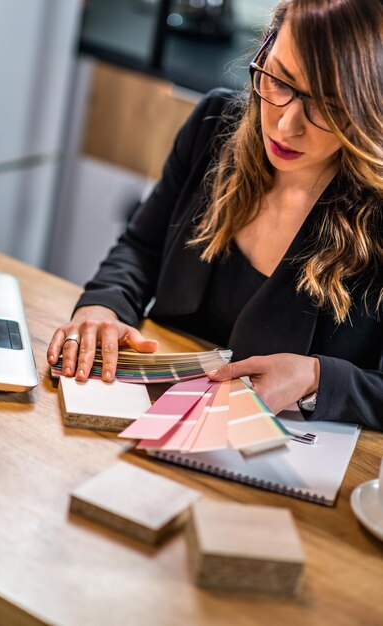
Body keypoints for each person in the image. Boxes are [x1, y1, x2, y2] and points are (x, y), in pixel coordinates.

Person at [48, 0, 383, 429]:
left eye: (328, 105)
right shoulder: (213, 124)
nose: (284, 126)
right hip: (149, 419)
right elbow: (140, 248)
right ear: (263, 51)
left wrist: (317, 377)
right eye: (280, 79)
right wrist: (103, 307)